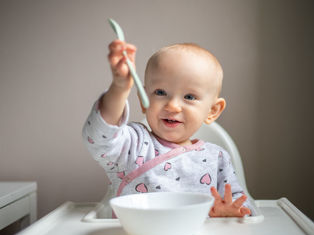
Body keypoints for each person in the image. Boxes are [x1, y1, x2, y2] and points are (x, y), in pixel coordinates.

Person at [83, 39, 255, 217]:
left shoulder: (217, 158)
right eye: (160, 92)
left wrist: (230, 211)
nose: (172, 106)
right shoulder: (133, 144)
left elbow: (243, 205)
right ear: (144, 99)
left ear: (212, 110)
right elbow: (99, 138)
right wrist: (119, 88)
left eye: (189, 96)